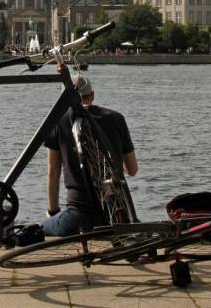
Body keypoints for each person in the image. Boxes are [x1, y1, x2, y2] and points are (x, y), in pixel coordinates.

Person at [41, 75, 138, 236]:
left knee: (38, 229)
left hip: (78, 216)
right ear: (92, 95)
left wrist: (53, 211)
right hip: (116, 215)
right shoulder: (117, 118)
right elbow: (132, 169)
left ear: (64, 99)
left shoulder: (58, 121)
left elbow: (53, 173)